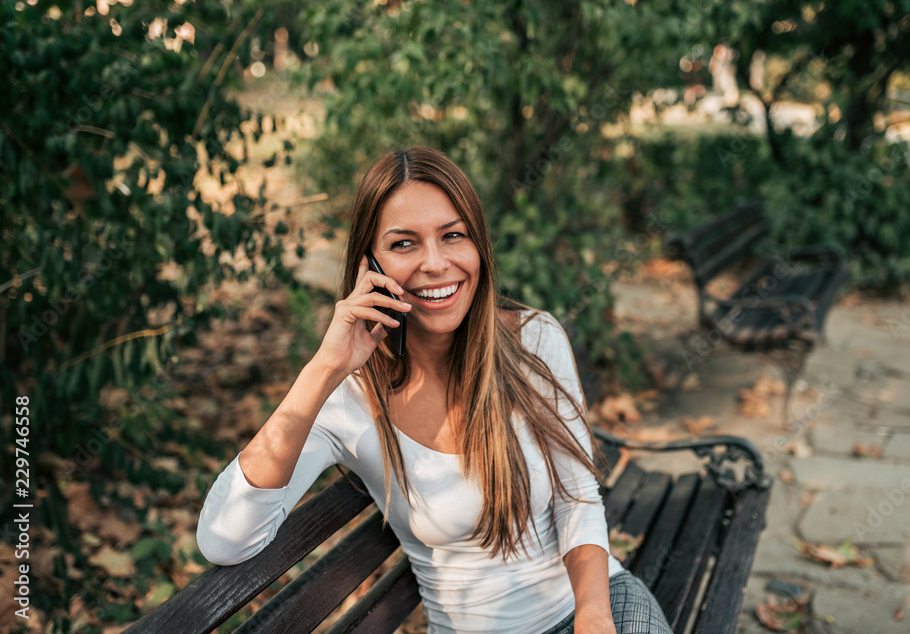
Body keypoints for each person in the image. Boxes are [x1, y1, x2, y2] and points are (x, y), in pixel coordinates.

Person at [196, 147, 671, 634]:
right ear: (370, 264)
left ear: (478, 245)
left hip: (597, 605)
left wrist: (594, 615)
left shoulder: (535, 339)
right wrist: (325, 367)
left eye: (453, 235)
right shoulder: (348, 398)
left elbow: (578, 498)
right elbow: (224, 540)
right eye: (404, 244)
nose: (436, 263)